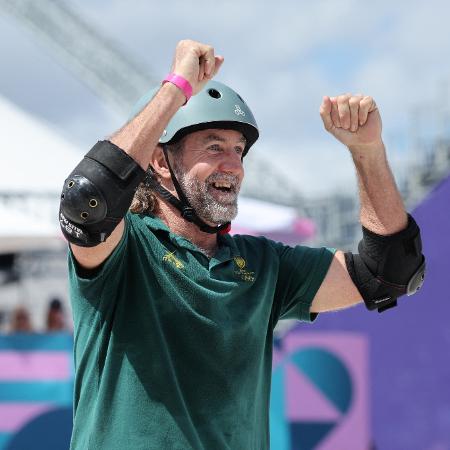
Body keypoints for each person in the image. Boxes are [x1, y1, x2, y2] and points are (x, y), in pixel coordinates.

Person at [59, 40, 425, 450]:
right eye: (214, 147)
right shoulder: (126, 248)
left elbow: (390, 273)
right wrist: (177, 88)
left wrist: (367, 151)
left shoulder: (264, 264)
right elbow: (86, 201)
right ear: (161, 163)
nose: (233, 165)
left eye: (238, 151)